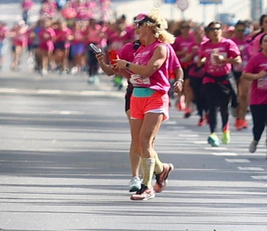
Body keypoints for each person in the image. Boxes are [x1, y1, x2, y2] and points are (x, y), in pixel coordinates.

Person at [96, 13, 179, 200]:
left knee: (146, 142)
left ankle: (146, 187)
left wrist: (127, 64)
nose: (136, 27)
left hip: (155, 96)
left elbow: (150, 70)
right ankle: (162, 169)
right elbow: (113, 70)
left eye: (139, 24)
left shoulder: (160, 48)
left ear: (149, 26)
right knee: (139, 145)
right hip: (136, 97)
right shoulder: (139, 49)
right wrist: (103, 62)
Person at [196, 21, 240, 146]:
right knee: (211, 107)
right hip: (210, 78)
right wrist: (202, 60)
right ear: (208, 32)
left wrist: (224, 60)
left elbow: (238, 60)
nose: (215, 31)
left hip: (224, 78)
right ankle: (213, 133)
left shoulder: (228, 44)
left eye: (217, 29)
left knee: (224, 107)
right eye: (212, 29)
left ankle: (225, 129)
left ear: (222, 31)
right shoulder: (205, 45)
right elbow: (199, 60)